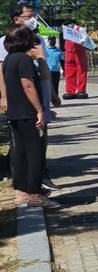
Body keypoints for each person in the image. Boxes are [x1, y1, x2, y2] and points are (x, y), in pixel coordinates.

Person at [3, 25, 47, 205]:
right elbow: (28, 85)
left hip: (15, 111)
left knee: (20, 151)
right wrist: (39, 110)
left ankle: (21, 190)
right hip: (27, 111)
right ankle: (34, 192)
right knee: (35, 151)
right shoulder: (23, 59)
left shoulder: (9, 58)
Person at [61, 20, 89, 99]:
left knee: (81, 71)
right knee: (69, 72)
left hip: (79, 52)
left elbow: (85, 36)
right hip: (69, 52)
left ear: (72, 24)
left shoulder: (80, 29)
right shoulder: (66, 30)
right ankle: (70, 91)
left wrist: (82, 41)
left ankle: (81, 90)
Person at [44, 36, 63, 107]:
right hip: (47, 71)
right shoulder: (45, 50)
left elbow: (62, 61)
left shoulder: (59, 51)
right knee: (48, 87)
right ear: (48, 40)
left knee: (55, 87)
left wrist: (63, 70)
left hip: (56, 71)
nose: (53, 41)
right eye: (51, 40)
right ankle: (48, 101)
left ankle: (55, 102)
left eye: (54, 40)